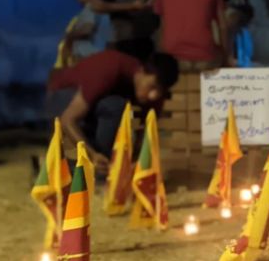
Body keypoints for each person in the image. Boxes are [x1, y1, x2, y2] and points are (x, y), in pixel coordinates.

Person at [46, 48, 178, 175]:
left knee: (115, 109)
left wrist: (135, 162)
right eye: (152, 87)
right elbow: (67, 119)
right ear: (142, 71)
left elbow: (145, 135)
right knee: (115, 106)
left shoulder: (155, 96)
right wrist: (92, 155)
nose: (153, 96)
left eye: (159, 91)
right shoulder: (110, 67)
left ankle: (91, 167)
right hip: (59, 97)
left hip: (91, 109)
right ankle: (95, 168)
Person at [153, 0, 231, 72]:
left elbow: (162, 27)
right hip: (205, 57)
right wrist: (226, 58)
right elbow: (223, 26)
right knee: (220, 54)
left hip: (174, 58)